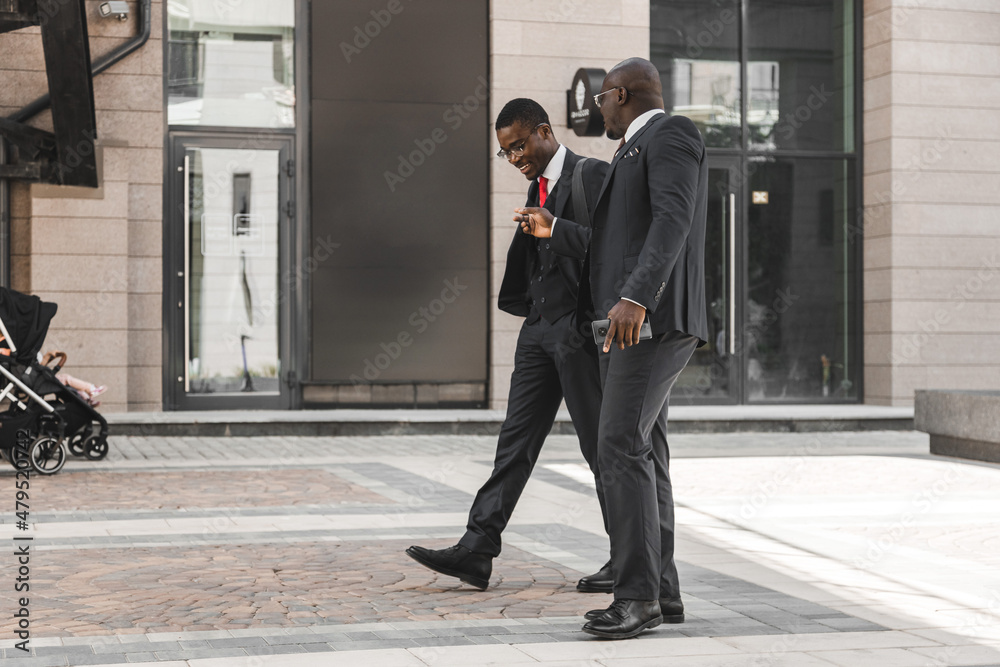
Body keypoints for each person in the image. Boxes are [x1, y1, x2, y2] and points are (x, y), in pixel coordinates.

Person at [518, 58, 709, 639]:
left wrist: (637, 298)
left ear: (620, 95)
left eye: (600, 99)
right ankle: (662, 590)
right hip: (631, 323)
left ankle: (635, 597)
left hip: (647, 323)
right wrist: (557, 230)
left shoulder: (670, 133)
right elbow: (616, 238)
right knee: (645, 450)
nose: (596, 109)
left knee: (618, 445)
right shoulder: (631, 150)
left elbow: (673, 219)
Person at [406, 99, 612, 592]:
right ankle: (477, 549)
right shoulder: (535, 185)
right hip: (539, 330)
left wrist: (555, 228)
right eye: (506, 152)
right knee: (512, 446)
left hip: (578, 332)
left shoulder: (592, 176)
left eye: (519, 146)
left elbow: (612, 249)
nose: (515, 157)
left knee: (602, 450)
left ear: (544, 131)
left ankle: (629, 556)